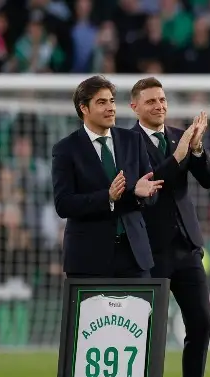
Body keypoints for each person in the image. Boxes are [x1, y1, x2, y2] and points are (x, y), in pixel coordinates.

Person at [129, 77, 210, 377]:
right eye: (151, 101)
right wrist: (180, 155)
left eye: (163, 100)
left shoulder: (180, 137)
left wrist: (196, 151)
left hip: (186, 248)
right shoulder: (127, 143)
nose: (160, 106)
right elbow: (149, 186)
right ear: (135, 106)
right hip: (149, 251)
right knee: (145, 333)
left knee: (201, 324)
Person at [52, 75, 163, 279]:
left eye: (112, 101)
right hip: (88, 258)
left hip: (134, 257)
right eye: (101, 102)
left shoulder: (133, 140)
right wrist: (107, 197)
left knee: (139, 312)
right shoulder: (66, 149)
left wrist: (141, 194)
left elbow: (151, 193)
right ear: (84, 108)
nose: (110, 107)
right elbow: (63, 204)